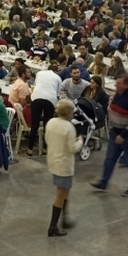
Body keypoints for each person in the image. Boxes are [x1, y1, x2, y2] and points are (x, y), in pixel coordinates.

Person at [90, 74, 128, 196]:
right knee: (109, 159)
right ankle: (103, 182)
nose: (115, 85)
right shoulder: (117, 95)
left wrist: (123, 135)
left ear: (125, 85)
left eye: (118, 84)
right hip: (115, 132)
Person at [45, 99, 82, 237]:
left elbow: (47, 140)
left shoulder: (51, 122)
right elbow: (72, 148)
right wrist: (80, 142)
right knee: (60, 195)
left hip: (53, 161)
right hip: (64, 165)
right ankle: (53, 226)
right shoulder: (69, 127)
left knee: (65, 191)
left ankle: (64, 219)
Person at [28, 63, 62, 157]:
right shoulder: (58, 78)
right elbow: (58, 94)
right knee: (47, 126)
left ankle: (30, 149)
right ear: (56, 71)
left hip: (36, 97)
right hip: (50, 100)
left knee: (34, 125)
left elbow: (35, 85)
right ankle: (44, 149)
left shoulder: (39, 73)